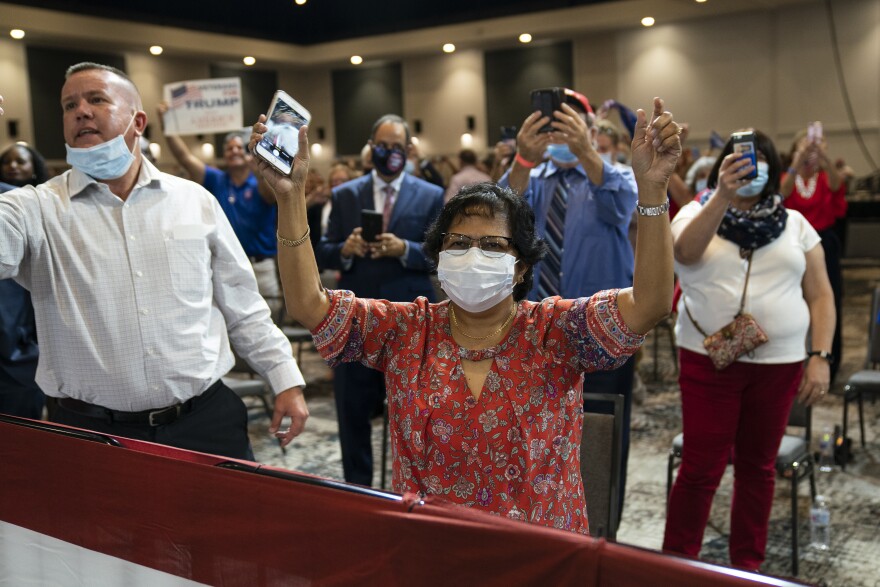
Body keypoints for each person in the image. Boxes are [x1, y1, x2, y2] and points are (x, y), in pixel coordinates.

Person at [251, 97, 680, 533]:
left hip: (541, 557)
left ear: (522, 267)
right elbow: (310, 306)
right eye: (458, 244)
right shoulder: (408, 329)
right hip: (430, 552)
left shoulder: (554, 330)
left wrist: (653, 190)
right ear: (439, 258)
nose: (473, 255)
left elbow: (651, 303)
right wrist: (291, 197)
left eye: (493, 246)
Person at [0, 62, 308, 459]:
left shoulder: (194, 201)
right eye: (68, 105)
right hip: (91, 435)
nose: (81, 111)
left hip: (205, 423)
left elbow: (243, 306)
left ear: (138, 121)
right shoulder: (35, 209)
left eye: (96, 99)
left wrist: (284, 379)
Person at [663, 130, 835, 571]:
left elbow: (820, 295)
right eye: (740, 160)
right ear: (723, 165)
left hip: (780, 365)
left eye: (759, 161)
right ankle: (676, 566)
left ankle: (747, 566)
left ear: (774, 170)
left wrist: (820, 355)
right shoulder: (697, 211)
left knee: (758, 469)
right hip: (707, 362)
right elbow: (684, 251)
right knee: (701, 468)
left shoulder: (796, 223)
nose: (750, 168)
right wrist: (722, 194)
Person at [500, 88, 639, 525]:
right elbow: (498, 216)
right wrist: (522, 160)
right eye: (550, 125)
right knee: (530, 435)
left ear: (592, 130)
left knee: (601, 435)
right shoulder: (532, 180)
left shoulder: (614, 176)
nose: (558, 133)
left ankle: (601, 532)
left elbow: (621, 207)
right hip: (534, 332)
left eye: (569, 125)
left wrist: (586, 152)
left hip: (604, 329)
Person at [314, 114, 444, 486]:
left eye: (398, 147)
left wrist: (406, 248)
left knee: (417, 416)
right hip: (356, 319)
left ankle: (417, 493)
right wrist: (347, 249)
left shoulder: (431, 194)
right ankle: (358, 493)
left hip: (410, 321)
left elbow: (441, 253)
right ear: (372, 148)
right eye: (384, 146)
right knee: (352, 412)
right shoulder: (344, 195)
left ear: (408, 150)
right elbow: (322, 251)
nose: (391, 153)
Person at [157, 104, 282, 314]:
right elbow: (185, 157)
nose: (234, 151)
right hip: (227, 264)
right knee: (232, 329)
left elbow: (272, 197)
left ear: (249, 153)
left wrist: (260, 171)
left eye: (239, 147)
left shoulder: (259, 182)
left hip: (261, 267)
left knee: (271, 324)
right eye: (229, 148)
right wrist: (166, 124)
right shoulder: (217, 180)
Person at [780, 125, 846, 383]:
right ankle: (794, 360)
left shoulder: (827, 176)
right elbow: (782, 193)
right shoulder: (789, 176)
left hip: (825, 244)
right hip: (794, 244)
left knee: (828, 299)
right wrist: (797, 162)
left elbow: (837, 183)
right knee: (794, 300)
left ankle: (829, 357)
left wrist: (824, 158)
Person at [0, 144, 50, 418]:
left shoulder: (38, 204)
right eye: (7, 161)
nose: (13, 166)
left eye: (20, 161)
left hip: (19, 353)